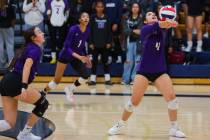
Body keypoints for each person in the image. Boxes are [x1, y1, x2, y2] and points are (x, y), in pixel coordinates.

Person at [108, 11, 186, 138]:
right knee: (134, 101)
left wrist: (171, 22)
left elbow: (163, 25)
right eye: (149, 15)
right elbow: (159, 25)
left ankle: (174, 128)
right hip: (144, 71)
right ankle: (120, 124)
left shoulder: (161, 28)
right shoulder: (145, 29)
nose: (153, 15)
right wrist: (170, 22)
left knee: (172, 99)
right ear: (145, 20)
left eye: (154, 14)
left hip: (160, 70)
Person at [0, 27, 49, 140]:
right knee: (43, 104)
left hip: (6, 81)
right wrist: (23, 86)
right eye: (39, 32)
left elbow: (11, 65)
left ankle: (24, 135)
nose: (43, 33)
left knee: (9, 123)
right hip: (16, 82)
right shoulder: (35, 49)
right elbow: (27, 65)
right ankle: (25, 134)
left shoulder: (25, 48)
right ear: (33, 38)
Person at [43, 12, 91, 102]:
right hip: (65, 55)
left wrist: (86, 56)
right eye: (84, 16)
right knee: (56, 80)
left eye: (87, 17)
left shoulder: (87, 30)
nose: (86, 18)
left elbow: (83, 45)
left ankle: (70, 88)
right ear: (80, 19)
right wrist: (80, 57)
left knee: (85, 76)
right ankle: (43, 93)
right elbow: (66, 47)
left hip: (76, 57)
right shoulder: (73, 29)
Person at [88, 0, 113, 85]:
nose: (100, 8)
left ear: (103, 8)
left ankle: (107, 79)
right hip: (94, 44)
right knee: (94, 62)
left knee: (105, 61)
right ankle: (93, 79)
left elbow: (110, 31)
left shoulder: (107, 17)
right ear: (95, 8)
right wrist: (90, 42)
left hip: (105, 44)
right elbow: (90, 31)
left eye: (101, 6)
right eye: (98, 6)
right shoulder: (92, 17)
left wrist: (109, 42)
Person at [122, 2, 142, 85]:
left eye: (137, 7)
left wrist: (132, 31)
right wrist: (134, 31)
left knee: (137, 61)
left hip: (138, 42)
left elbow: (141, 31)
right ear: (131, 8)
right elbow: (125, 31)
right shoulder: (126, 18)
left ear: (139, 8)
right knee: (129, 61)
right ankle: (125, 79)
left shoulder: (141, 18)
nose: (135, 8)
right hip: (129, 42)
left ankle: (134, 79)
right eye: (133, 7)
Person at [0, 0, 16, 68]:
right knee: (10, 45)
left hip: (1, 27)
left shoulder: (7, 6)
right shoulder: (9, 6)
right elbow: (13, 18)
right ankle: (11, 63)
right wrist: (12, 26)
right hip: (8, 27)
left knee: (0, 45)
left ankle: (1, 63)